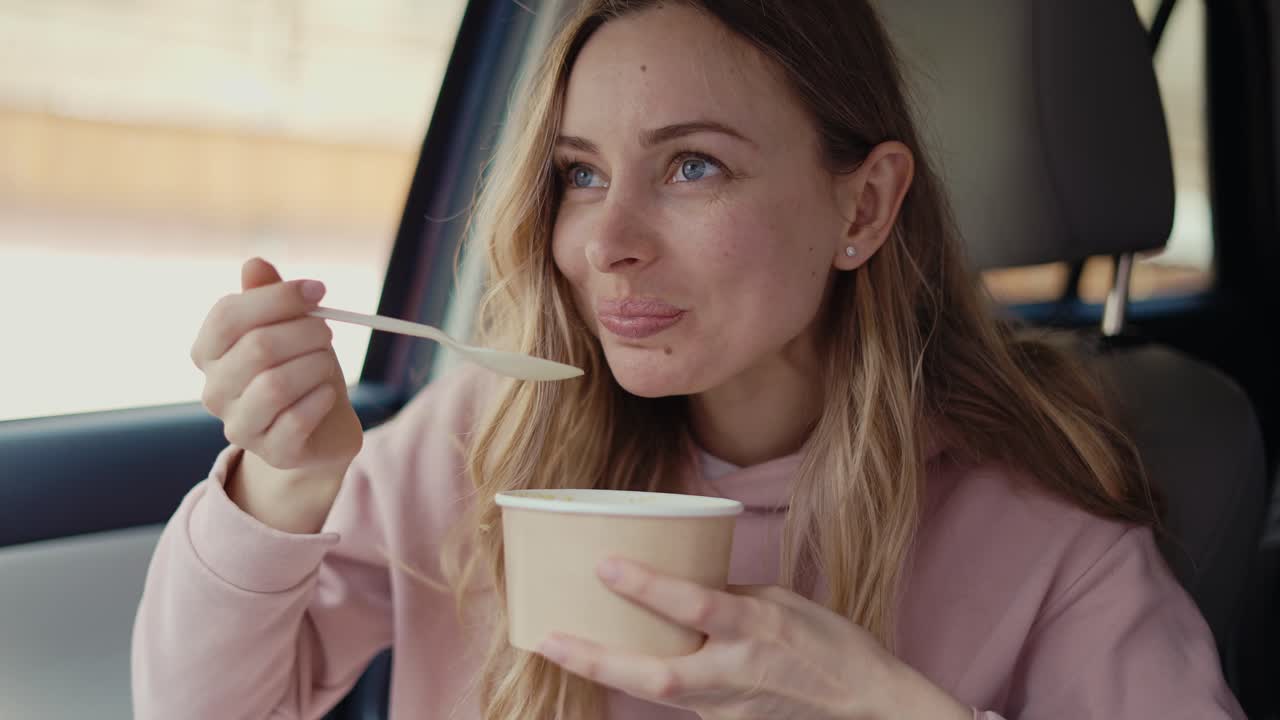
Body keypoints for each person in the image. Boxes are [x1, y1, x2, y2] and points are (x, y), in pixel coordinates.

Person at [132, 1, 1246, 718]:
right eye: (577, 174)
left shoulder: (1049, 543)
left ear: (862, 206)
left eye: (691, 169)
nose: (605, 242)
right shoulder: (478, 443)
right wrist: (282, 486)